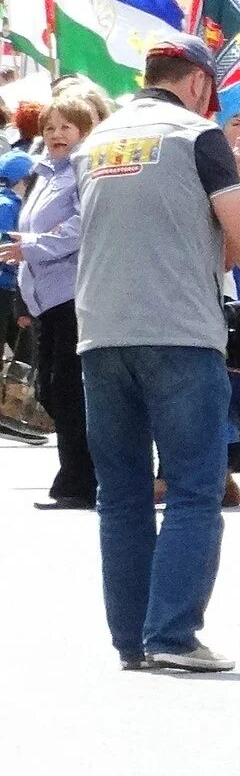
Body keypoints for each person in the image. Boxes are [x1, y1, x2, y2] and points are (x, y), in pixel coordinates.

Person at [76, 35, 240, 672]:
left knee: (123, 495)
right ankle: (171, 634)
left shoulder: (97, 141)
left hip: (100, 336)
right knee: (196, 487)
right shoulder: (194, 134)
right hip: (177, 333)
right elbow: (237, 222)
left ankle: (130, 639)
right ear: (197, 82)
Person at [16, 80, 111, 510]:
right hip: (45, 297)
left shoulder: (84, 171)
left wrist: (31, 246)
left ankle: (81, 478)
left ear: (86, 130)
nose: (56, 134)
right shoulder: (45, 173)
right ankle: (77, 474)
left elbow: (78, 227)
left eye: (67, 126)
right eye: (50, 126)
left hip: (74, 292)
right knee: (53, 389)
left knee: (66, 389)